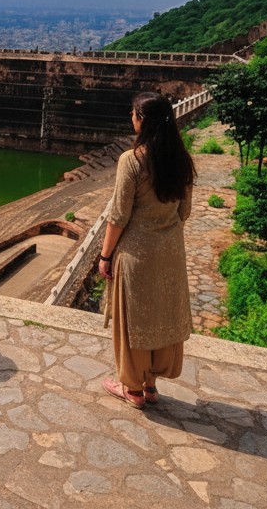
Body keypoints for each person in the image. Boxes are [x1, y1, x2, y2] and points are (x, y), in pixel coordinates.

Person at [99, 91, 196, 409]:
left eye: (133, 114)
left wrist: (105, 255)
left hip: (137, 254)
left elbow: (118, 216)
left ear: (142, 120)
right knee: (159, 316)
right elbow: (184, 211)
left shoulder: (132, 160)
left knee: (134, 322)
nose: (131, 118)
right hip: (169, 253)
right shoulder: (181, 160)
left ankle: (133, 390)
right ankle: (151, 384)